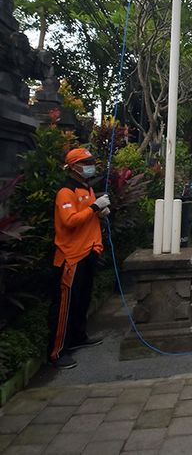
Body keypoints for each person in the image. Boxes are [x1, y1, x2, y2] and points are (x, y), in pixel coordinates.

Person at [48, 148, 109, 369]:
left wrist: (99, 212)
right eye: (86, 162)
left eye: (91, 161)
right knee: (65, 304)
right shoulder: (66, 191)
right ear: (73, 166)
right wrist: (94, 207)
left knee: (82, 299)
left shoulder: (87, 188)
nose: (90, 165)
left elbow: (88, 216)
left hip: (89, 251)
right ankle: (57, 351)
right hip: (70, 256)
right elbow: (69, 221)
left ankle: (78, 336)